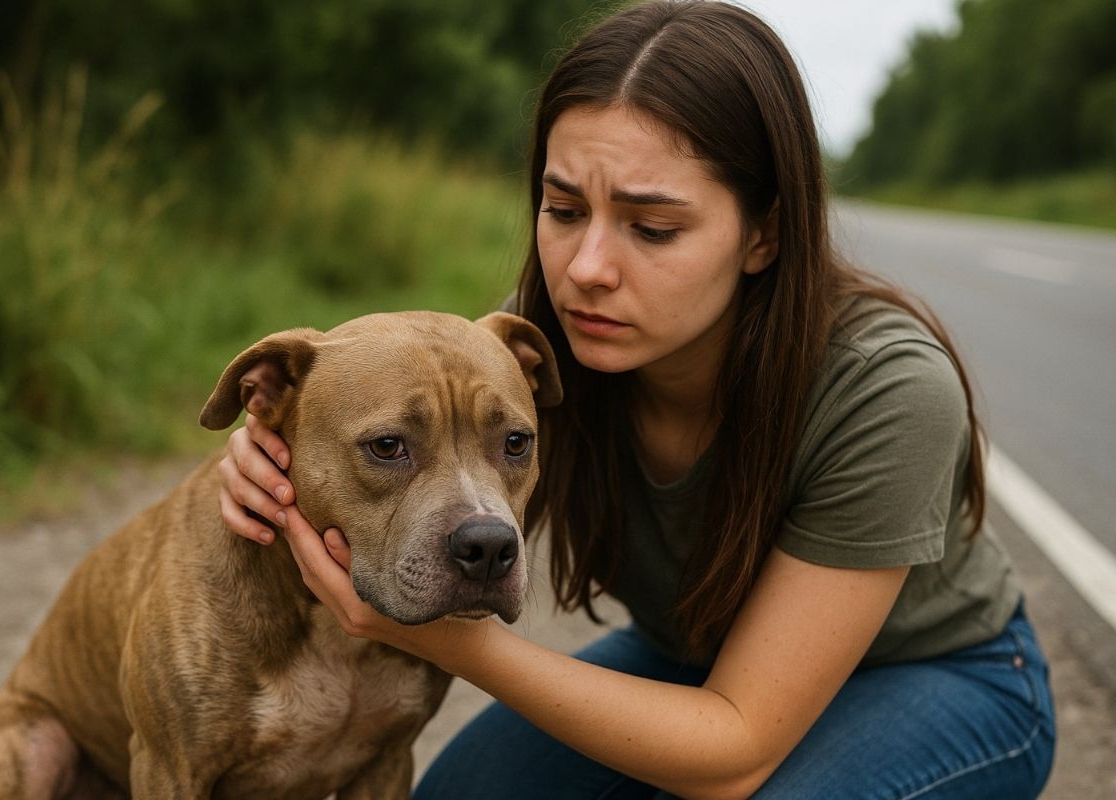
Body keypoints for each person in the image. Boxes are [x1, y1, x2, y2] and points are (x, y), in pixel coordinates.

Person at [216, 2, 1056, 797]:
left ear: (763, 233)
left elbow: (734, 750)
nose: (587, 269)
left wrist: (440, 639)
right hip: (698, 658)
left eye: (652, 228)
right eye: (562, 209)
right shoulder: (536, 352)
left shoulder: (886, 388)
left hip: (940, 673)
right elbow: (367, 419)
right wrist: (271, 458)